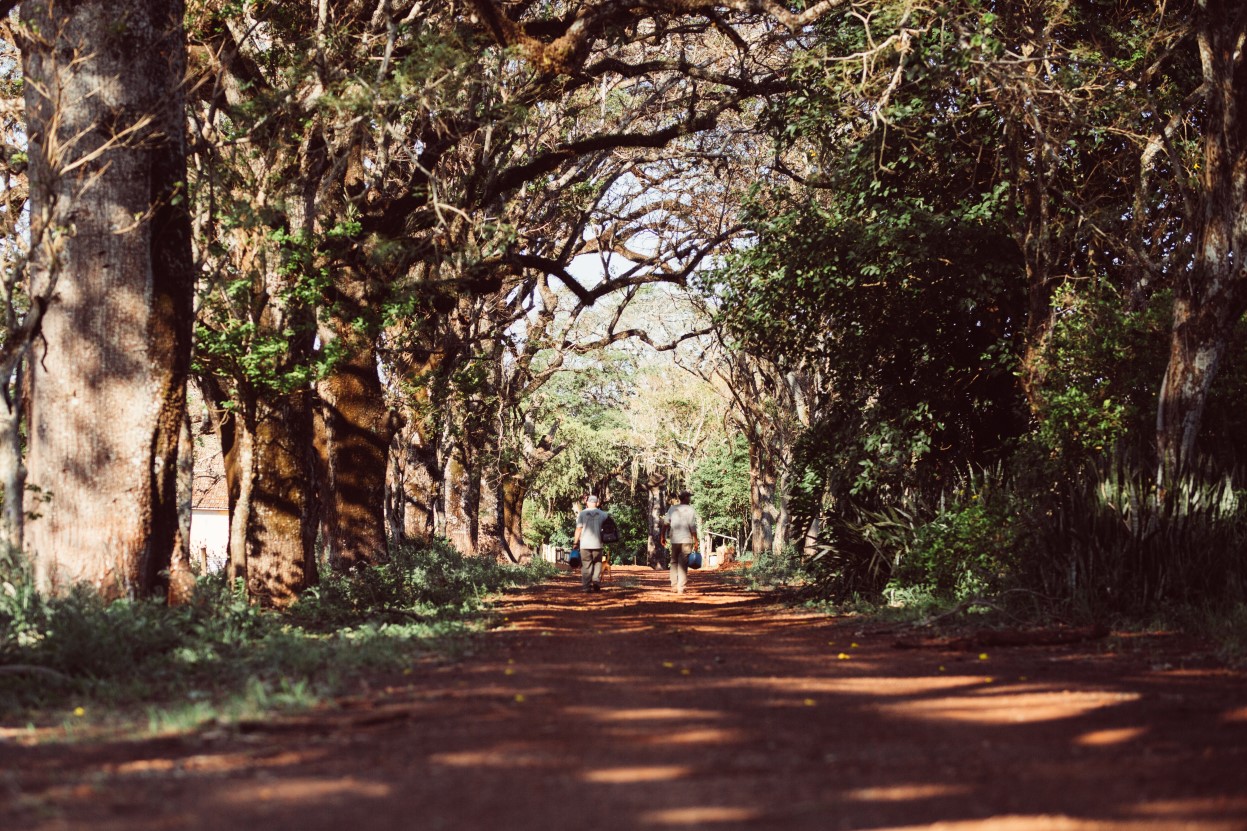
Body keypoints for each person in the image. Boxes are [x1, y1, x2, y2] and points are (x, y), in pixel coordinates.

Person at [660, 490, 699, 594]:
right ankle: (681, 587)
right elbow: (692, 526)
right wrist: (696, 540)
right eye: (689, 497)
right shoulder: (690, 509)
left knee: (674, 563)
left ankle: (673, 586)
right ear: (685, 497)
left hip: (674, 540)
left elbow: (665, 524)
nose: (690, 499)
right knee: (683, 563)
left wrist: (662, 536)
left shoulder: (672, 508)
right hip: (686, 540)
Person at [573, 494, 610, 592]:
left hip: (585, 545)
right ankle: (596, 581)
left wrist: (575, 543)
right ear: (597, 503)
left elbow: (578, 529)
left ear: (587, 503)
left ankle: (586, 587)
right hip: (598, 544)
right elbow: (608, 529)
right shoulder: (603, 514)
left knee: (586, 565)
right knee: (597, 563)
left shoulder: (582, 514)